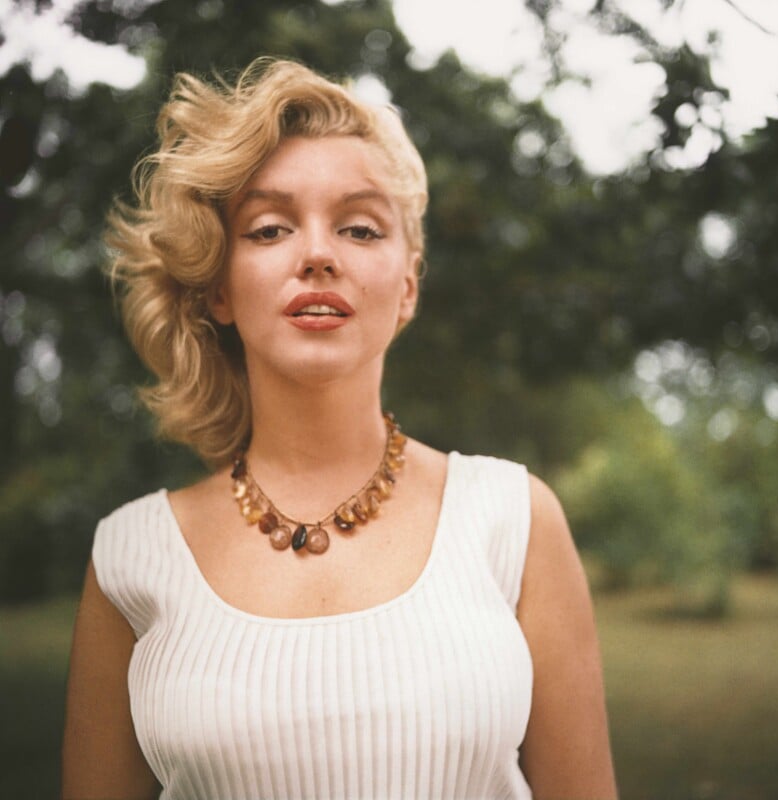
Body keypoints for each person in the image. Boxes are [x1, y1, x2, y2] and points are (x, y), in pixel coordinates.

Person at [62, 57, 617, 800]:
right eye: (269, 228)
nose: (318, 254)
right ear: (221, 287)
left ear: (408, 286)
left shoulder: (516, 518)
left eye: (359, 227)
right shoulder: (130, 558)